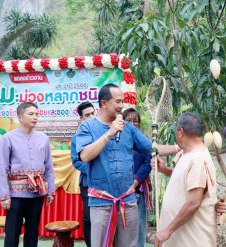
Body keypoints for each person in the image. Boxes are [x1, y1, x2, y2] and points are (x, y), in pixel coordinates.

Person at [76, 84, 152, 247]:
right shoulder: (87, 127)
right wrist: (109, 133)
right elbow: (85, 156)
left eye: (123, 101)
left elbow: (151, 148)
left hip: (127, 199)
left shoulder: (128, 127)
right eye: (118, 101)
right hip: (101, 200)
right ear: (104, 103)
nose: (122, 105)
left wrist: (177, 147)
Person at [153, 112, 217, 247]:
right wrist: (164, 170)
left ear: (180, 132)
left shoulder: (198, 159)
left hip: (192, 240)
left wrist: (168, 231)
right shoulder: (186, 154)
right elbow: (187, 180)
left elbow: (194, 202)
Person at [0, 102, 55, 247]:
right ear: (20, 117)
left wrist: (50, 191)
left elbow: (49, 167)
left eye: (37, 114)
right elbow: (2, 168)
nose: (35, 117)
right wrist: (4, 196)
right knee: (12, 234)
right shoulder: (8, 138)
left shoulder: (43, 138)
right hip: (15, 196)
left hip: (37, 194)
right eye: (31, 114)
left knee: (32, 234)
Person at [122, 108, 152, 247]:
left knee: (139, 225)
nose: (132, 124)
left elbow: (148, 163)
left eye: (135, 121)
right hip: (120, 190)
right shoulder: (117, 139)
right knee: (123, 226)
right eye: (128, 121)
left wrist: (135, 181)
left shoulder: (144, 140)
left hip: (139, 190)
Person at [71, 101, 96, 246]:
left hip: (105, 183)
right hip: (87, 183)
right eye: (87, 115)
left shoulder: (104, 133)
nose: (91, 117)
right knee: (88, 217)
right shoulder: (76, 138)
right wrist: (95, 169)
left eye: (93, 113)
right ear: (81, 118)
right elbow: (76, 162)